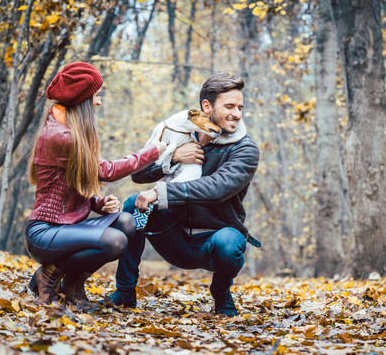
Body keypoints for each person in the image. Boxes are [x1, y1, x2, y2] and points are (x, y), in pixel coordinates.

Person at [110, 73, 261, 316]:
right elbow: (138, 174)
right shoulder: (181, 134)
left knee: (230, 244)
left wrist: (160, 192)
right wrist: (173, 159)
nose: (237, 114)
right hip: (174, 237)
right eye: (229, 106)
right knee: (132, 206)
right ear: (206, 106)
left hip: (214, 240)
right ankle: (125, 292)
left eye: (240, 107)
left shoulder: (245, 148)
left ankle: (221, 292)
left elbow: (217, 188)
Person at [25, 62, 166, 309]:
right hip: (45, 233)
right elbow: (107, 171)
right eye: (96, 96)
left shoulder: (70, 131)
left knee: (127, 222)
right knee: (115, 241)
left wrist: (100, 205)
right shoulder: (60, 136)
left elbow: (72, 187)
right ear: (81, 100)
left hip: (65, 229)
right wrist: (151, 152)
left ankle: (72, 285)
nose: (98, 102)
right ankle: (47, 275)